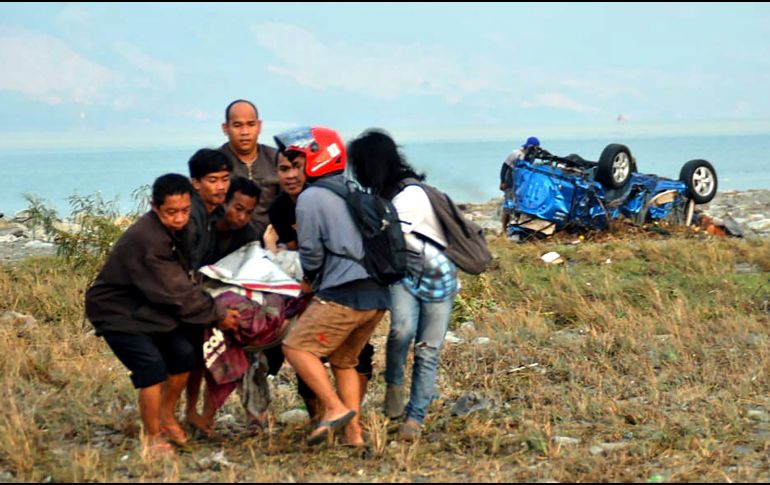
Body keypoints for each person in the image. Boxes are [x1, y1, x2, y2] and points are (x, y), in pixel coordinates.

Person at [84, 174, 238, 458]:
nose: (179, 218)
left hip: (149, 307)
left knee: (183, 355)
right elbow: (176, 292)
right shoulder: (148, 239)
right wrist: (216, 314)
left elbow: (183, 280)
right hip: (117, 311)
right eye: (171, 212)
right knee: (151, 369)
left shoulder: (179, 229)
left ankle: (167, 415)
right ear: (155, 207)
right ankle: (152, 438)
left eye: (184, 211)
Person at [279, 127, 389, 448]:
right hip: (377, 296)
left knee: (296, 347)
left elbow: (311, 256)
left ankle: (332, 405)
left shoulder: (311, 197)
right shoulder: (351, 189)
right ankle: (354, 435)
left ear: (317, 157)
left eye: (299, 163)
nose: (295, 171)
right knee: (345, 361)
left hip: (344, 293)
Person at [348, 129, 459, 441]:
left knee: (427, 349)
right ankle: (394, 383)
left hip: (438, 278)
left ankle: (415, 417)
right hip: (404, 274)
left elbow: (378, 239)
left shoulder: (408, 198)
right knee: (401, 331)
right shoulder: (384, 197)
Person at [265, 146, 375, 422]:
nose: (291, 175)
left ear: (311, 167)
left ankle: (342, 414)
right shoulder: (279, 207)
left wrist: (284, 258)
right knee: (328, 356)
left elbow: (311, 255)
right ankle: (331, 422)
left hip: (338, 288)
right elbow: (297, 253)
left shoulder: (320, 197)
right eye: (283, 169)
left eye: (297, 167)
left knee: (306, 349)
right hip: (320, 289)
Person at [218, 99, 279, 239]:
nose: (245, 132)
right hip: (227, 244)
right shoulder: (216, 164)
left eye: (251, 124)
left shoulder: (277, 159)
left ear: (259, 126)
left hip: (273, 243)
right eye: (237, 125)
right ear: (225, 128)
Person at [499, 136, 540, 233]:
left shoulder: (530, 157)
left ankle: (515, 226)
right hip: (510, 182)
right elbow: (504, 167)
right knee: (508, 206)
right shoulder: (515, 154)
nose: (536, 150)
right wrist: (502, 181)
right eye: (535, 147)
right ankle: (504, 229)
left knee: (519, 206)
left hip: (521, 184)